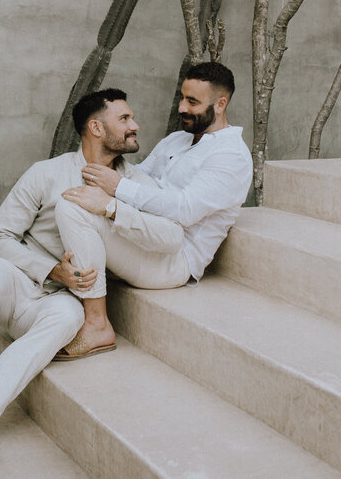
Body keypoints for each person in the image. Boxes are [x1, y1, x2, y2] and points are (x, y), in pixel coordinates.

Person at [0, 88, 162, 458]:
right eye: (125, 119)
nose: (135, 125)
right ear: (96, 128)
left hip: (65, 303)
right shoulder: (46, 173)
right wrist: (53, 269)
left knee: (66, 320)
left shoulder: (135, 185)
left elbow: (154, 232)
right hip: (19, 282)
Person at [56, 60, 253, 360]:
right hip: (144, 233)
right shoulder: (178, 139)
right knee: (76, 199)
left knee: (76, 210)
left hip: (175, 259)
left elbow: (185, 209)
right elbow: (138, 177)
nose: (182, 108)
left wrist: (115, 191)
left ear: (221, 104)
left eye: (192, 102)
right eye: (182, 98)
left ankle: (97, 325)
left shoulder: (231, 156)